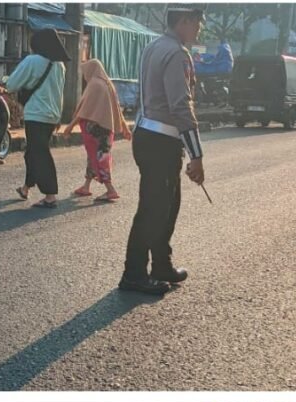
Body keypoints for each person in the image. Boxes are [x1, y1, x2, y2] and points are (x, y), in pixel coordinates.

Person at [120, 6, 206, 295]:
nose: (199, 30)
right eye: (197, 24)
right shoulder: (177, 54)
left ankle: (161, 265)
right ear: (184, 21)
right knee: (154, 209)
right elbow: (181, 105)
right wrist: (196, 154)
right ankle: (133, 274)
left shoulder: (154, 47)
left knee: (166, 206)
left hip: (148, 135)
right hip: (161, 140)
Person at [5, 28, 69, 209]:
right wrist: (58, 116)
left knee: (40, 153)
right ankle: (26, 188)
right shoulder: (60, 65)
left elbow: (12, 84)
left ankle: (50, 196)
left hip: (36, 114)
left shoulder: (32, 61)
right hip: (52, 115)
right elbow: (59, 94)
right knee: (33, 151)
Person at [62, 59, 132, 202]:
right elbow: (117, 108)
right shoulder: (108, 84)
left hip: (95, 128)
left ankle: (110, 190)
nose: (84, 75)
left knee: (100, 158)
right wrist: (125, 128)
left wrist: (70, 126)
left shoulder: (94, 85)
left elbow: (84, 111)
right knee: (94, 156)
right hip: (107, 128)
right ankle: (86, 186)